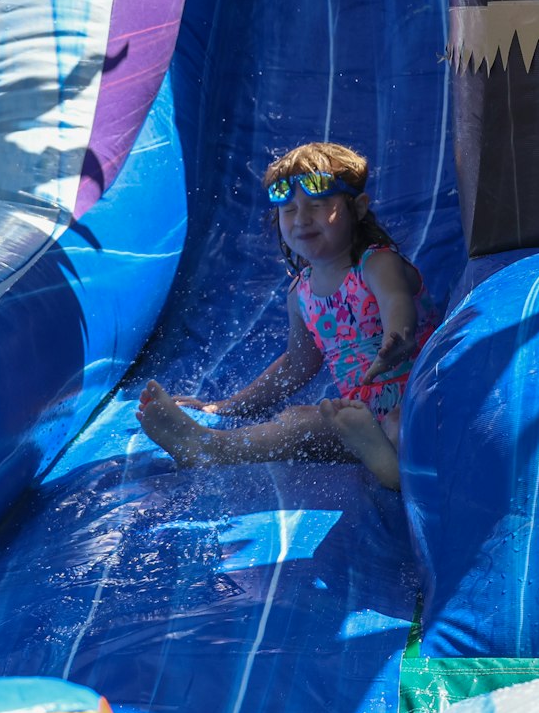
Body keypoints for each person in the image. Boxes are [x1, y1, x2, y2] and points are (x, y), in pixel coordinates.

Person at [135, 141, 434, 490]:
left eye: (318, 205)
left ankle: (389, 465)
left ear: (359, 208)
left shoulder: (375, 264)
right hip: (358, 417)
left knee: (406, 425)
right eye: (289, 209)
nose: (302, 218)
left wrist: (399, 336)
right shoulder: (301, 292)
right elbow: (297, 364)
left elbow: (396, 301)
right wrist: (227, 407)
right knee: (298, 422)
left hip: (417, 392)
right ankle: (209, 447)